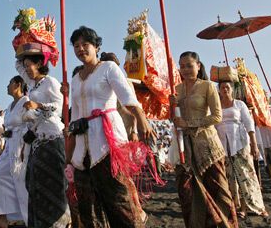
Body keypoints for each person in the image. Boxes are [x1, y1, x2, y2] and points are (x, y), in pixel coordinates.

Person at [67, 26, 156, 227]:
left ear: (96, 46)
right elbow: (76, 113)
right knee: (87, 204)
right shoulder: (74, 78)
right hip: (83, 144)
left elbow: (128, 97)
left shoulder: (108, 68)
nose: (81, 48)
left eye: (85, 44)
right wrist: (70, 149)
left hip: (108, 142)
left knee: (117, 198)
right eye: (76, 45)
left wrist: (141, 120)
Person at [173, 52, 237, 228]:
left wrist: (189, 123)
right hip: (184, 146)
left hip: (207, 145)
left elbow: (217, 116)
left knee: (218, 190)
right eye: (182, 65)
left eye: (189, 65)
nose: (185, 69)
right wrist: (172, 107)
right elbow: (174, 119)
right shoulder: (175, 89)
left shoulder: (207, 86)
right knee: (188, 193)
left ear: (198, 66)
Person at [15, 53, 71, 227]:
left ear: (39, 63)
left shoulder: (50, 82)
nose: (25, 69)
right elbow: (17, 62)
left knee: (53, 183)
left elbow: (60, 108)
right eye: (24, 66)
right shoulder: (32, 85)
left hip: (52, 137)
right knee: (34, 183)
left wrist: (38, 106)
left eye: (28, 65)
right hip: (37, 139)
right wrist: (23, 33)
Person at [215, 74, 268, 219]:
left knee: (246, 175)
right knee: (229, 176)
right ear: (218, 90)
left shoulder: (239, 104)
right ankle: (236, 206)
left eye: (227, 87)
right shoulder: (216, 106)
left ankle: (251, 206)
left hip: (240, 143)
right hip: (223, 145)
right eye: (222, 87)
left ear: (232, 89)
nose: (225, 89)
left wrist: (253, 144)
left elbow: (248, 123)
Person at [0, 75, 30, 228]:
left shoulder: (26, 101)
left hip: (21, 145)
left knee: (21, 182)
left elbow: (30, 124)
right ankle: (2, 216)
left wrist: (24, 148)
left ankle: (29, 220)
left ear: (18, 84)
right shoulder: (9, 106)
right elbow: (9, 127)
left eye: (10, 83)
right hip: (9, 145)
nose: (7, 86)